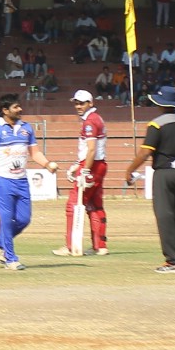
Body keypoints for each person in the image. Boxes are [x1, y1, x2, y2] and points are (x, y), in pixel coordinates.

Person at [0, 93, 62, 271]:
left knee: (24, 219)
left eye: (19, 106)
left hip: (21, 180)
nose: (20, 109)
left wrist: (47, 164)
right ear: (5, 110)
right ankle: (11, 258)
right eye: (16, 107)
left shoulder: (26, 128)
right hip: (2, 181)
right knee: (6, 220)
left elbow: (35, 153)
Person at [125, 85, 175, 274]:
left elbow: (145, 153)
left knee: (165, 215)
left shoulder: (156, 124)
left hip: (164, 173)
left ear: (160, 103)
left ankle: (172, 261)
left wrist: (130, 170)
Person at [54, 89, 110, 258]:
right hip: (98, 165)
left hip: (92, 165)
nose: (78, 106)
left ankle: (71, 246)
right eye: (76, 103)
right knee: (94, 205)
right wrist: (77, 165)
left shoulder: (90, 122)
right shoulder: (95, 118)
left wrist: (84, 169)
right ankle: (100, 246)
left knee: (73, 204)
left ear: (90, 103)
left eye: (82, 103)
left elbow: (91, 149)